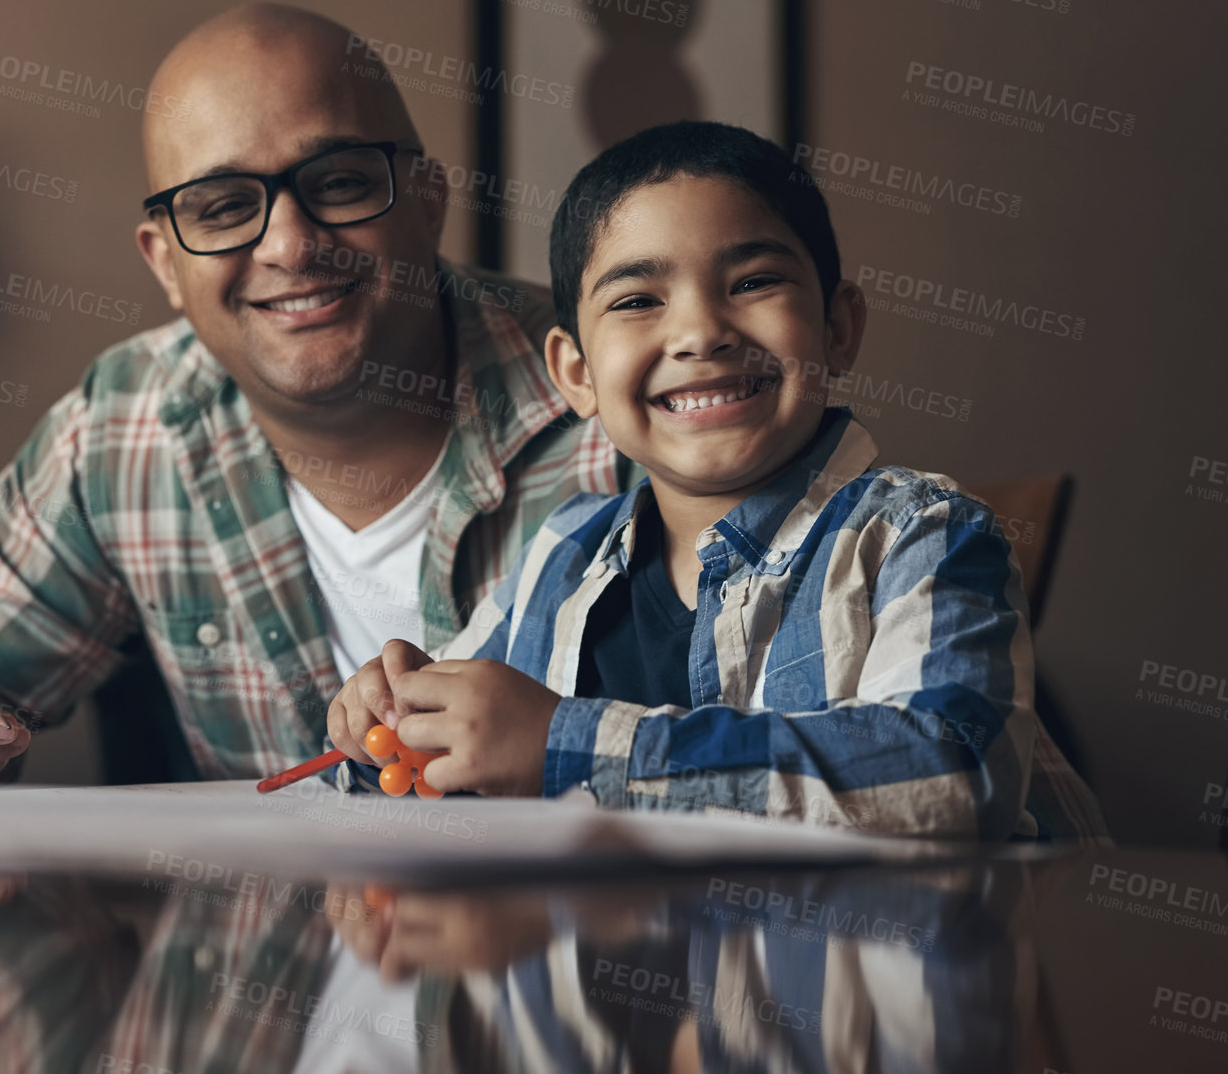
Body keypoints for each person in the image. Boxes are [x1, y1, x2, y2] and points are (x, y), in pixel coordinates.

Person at [0, 3, 632, 787]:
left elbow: (747, 729)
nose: (291, 246)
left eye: (337, 182)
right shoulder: (126, 428)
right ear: (165, 265)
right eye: (223, 207)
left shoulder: (621, 390)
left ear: (429, 201)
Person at [327, 121, 1108, 840]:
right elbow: (455, 753)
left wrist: (566, 745)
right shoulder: (560, 555)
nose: (700, 332)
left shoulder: (920, 537)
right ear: (576, 373)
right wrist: (383, 726)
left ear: (837, 328)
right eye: (637, 300)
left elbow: (952, 771)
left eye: (752, 282)